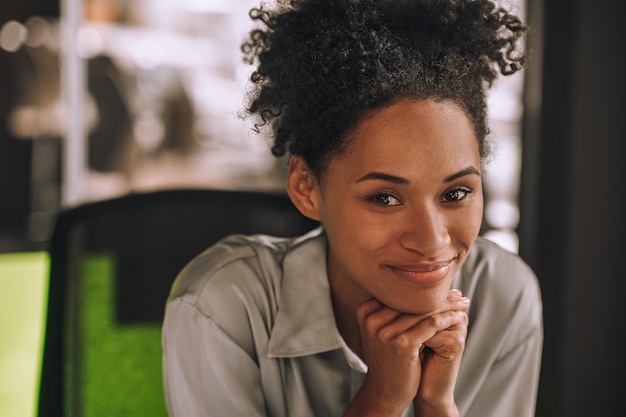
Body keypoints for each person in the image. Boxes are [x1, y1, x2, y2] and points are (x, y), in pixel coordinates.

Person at [161, 1, 543, 416]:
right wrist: (381, 399)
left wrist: (436, 404)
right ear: (307, 188)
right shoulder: (220, 307)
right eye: (385, 198)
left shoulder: (504, 294)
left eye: (455, 194)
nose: (432, 240)